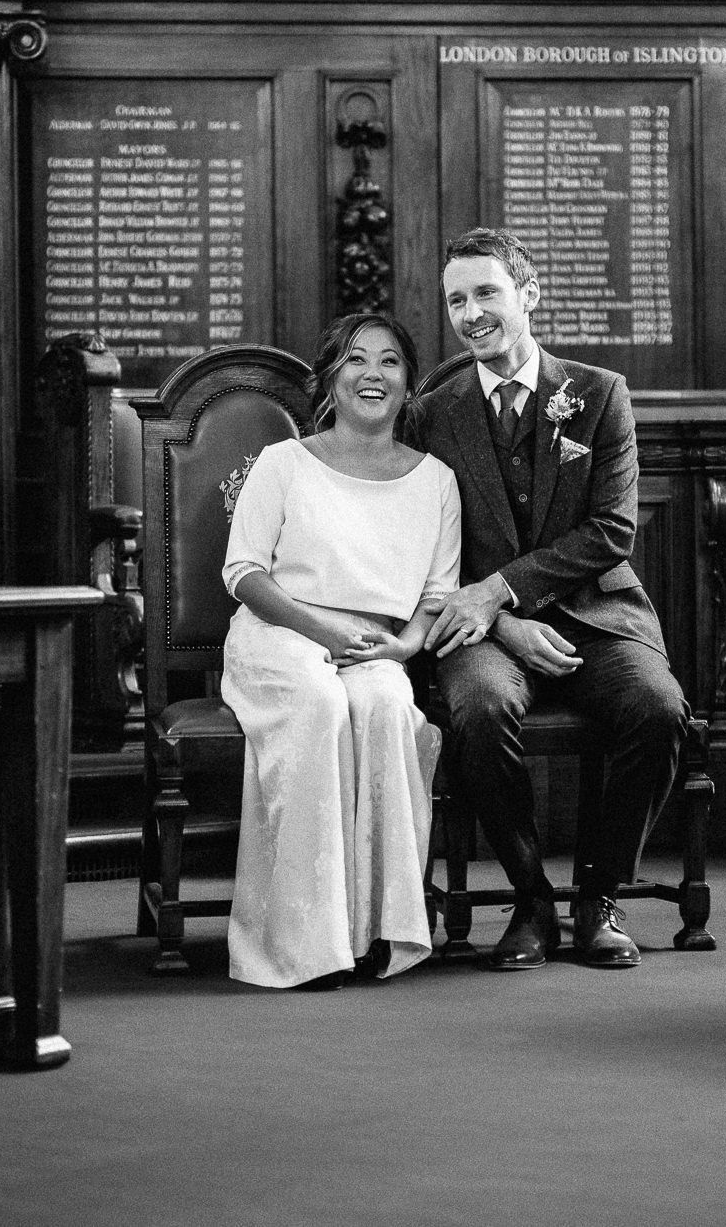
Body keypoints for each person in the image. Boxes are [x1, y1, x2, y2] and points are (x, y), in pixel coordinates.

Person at [417, 227, 692, 970]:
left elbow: (611, 530)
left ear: (528, 295)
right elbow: (414, 547)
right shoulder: (432, 415)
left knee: (658, 709)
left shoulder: (599, 395)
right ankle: (532, 899)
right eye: (455, 300)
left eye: (486, 293)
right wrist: (502, 622)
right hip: (484, 632)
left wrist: (505, 586)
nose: (470, 314)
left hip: (596, 614)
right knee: (476, 708)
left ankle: (599, 895)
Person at [219, 312, 461, 990]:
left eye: (389, 362)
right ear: (330, 376)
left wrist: (403, 646)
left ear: (409, 383)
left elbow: (437, 594)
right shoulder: (284, 462)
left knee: (386, 706)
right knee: (322, 703)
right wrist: (319, 632)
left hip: (374, 645)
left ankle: (383, 930)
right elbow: (243, 572)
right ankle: (305, 941)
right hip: (280, 635)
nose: (372, 374)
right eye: (356, 360)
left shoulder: (436, 481)